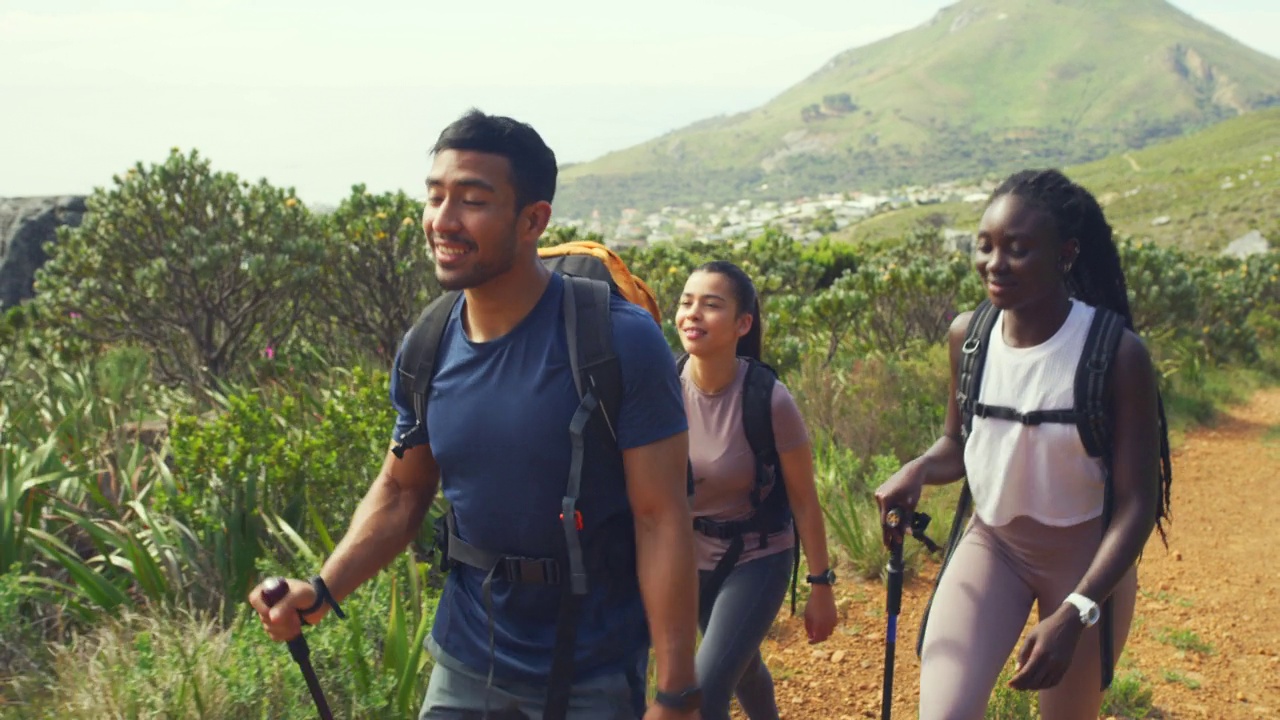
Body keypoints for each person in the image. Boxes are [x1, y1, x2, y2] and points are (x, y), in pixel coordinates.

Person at [248, 110, 702, 720]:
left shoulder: (618, 342)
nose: (443, 220)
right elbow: (402, 490)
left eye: (472, 201)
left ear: (532, 220)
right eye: (435, 197)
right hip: (466, 662)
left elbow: (661, 518)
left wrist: (676, 693)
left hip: (592, 668)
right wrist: (324, 589)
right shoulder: (428, 345)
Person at [875, 169, 1172, 719]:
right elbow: (956, 443)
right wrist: (918, 468)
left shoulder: (1116, 354)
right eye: (985, 246)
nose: (995, 263)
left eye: (1017, 249)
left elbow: (1137, 503)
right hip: (995, 547)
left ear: (1066, 253)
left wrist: (1079, 607)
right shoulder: (970, 337)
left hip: (1085, 560)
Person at [675, 261, 839, 720]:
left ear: (742, 324)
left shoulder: (768, 397)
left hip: (758, 557)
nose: (692, 314)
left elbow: (804, 500)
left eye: (711, 305)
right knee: (741, 667)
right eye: (686, 302)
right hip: (692, 558)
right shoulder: (665, 388)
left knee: (704, 692)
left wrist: (821, 586)